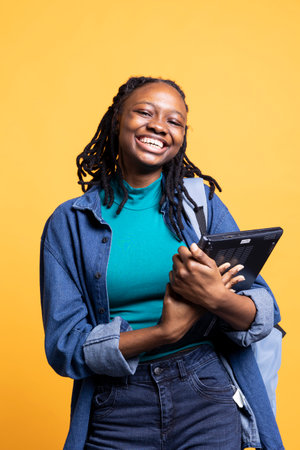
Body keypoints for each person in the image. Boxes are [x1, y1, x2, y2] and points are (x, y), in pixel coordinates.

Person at [40, 76, 283, 449]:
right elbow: (65, 347)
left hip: (205, 391)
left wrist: (217, 299)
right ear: (118, 117)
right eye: (145, 112)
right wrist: (163, 333)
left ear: (183, 136)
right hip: (116, 404)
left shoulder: (201, 204)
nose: (159, 126)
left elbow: (264, 311)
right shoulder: (70, 223)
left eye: (174, 121)